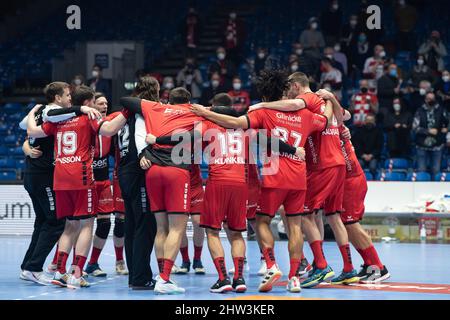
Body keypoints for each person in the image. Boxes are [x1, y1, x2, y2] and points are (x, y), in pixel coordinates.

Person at [190, 69, 338, 292]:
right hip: (299, 177)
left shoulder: (264, 113)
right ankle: (294, 277)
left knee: (261, 221)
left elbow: (236, 122)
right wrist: (328, 99)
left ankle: (270, 263)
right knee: (295, 226)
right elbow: (326, 121)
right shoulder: (306, 114)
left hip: (274, 175)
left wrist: (206, 112)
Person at [249, 73, 357, 287]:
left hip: (315, 165)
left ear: (296, 86)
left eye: (290, 88)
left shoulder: (304, 102)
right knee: (329, 217)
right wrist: (332, 99)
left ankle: (319, 264)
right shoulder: (317, 106)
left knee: (300, 217)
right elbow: (345, 117)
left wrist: (260, 105)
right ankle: (346, 267)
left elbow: (254, 131)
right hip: (336, 163)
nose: (288, 94)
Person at [120, 81, 204, 295]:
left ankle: (160, 275)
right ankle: (165, 279)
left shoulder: (155, 108)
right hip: (176, 171)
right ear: (189, 101)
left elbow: (125, 100)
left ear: (169, 99)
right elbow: (197, 135)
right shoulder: (193, 112)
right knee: (177, 228)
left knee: (160, 228)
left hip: (153, 171)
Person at [26, 86, 106, 289]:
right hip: (81, 176)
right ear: (88, 103)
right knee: (87, 224)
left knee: (69, 225)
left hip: (60, 177)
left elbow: (32, 132)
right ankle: (76, 273)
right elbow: (109, 130)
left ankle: (60, 272)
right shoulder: (88, 117)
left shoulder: (58, 119)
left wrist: (31, 113)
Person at [18, 82, 72, 285]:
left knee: (42, 222)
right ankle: (34, 268)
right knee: (56, 222)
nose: (69, 99)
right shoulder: (55, 111)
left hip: (31, 173)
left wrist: (33, 112)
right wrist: (83, 109)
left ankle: (27, 267)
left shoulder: (40, 110)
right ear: (57, 98)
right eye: (67, 95)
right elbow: (31, 130)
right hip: (43, 175)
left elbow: (23, 126)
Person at [339, 126, 391, 283]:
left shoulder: (330, 125)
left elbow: (343, 113)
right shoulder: (334, 124)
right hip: (348, 180)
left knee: (351, 224)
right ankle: (369, 264)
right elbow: (344, 114)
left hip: (351, 180)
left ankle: (379, 267)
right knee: (348, 225)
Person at [84, 93, 128, 277]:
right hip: (85, 182)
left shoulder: (110, 123)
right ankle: (66, 266)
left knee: (107, 225)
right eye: (100, 103)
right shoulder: (84, 123)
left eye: (106, 103)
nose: (104, 106)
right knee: (79, 225)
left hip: (103, 182)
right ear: (92, 105)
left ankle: (100, 263)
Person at [413, 92, 449, 177]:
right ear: (425, 99)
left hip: (437, 144)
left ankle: (436, 189)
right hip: (421, 144)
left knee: (436, 170)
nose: (431, 100)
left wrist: (447, 129)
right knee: (422, 170)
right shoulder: (419, 111)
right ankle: (421, 189)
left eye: (432, 98)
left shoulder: (441, 110)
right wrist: (428, 131)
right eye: (429, 98)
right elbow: (415, 128)